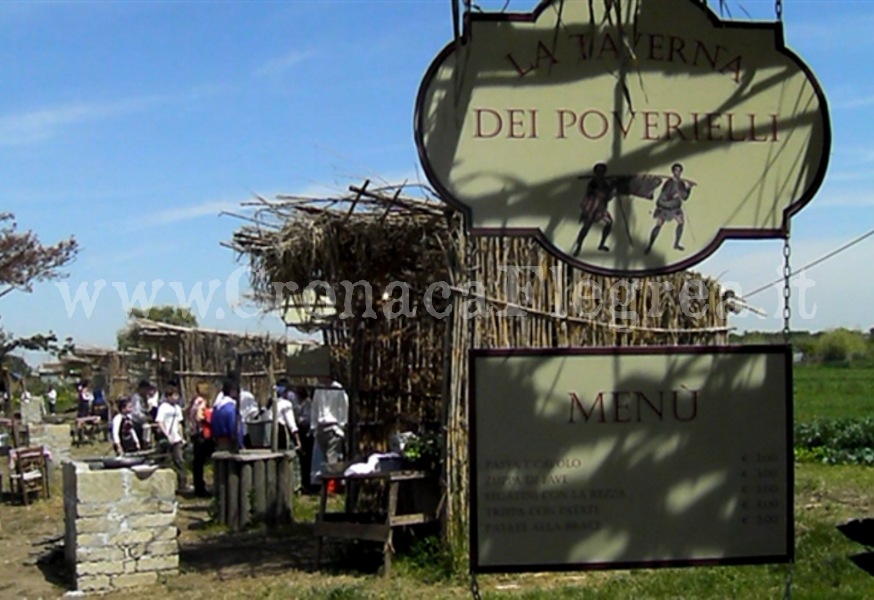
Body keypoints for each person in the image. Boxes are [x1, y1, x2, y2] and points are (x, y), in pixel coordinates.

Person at [644, 162, 695, 255]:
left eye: (679, 171)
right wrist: (673, 196)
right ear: (673, 172)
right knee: (659, 225)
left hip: (675, 207)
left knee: (681, 222)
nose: (678, 173)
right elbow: (663, 197)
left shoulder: (681, 183)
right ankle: (650, 245)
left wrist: (689, 188)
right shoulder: (668, 183)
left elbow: (684, 197)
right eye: (676, 171)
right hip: (665, 206)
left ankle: (676, 244)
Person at [572, 163, 617, 256]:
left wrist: (612, 191)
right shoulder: (593, 183)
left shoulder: (605, 184)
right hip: (592, 209)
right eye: (599, 171)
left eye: (602, 171)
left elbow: (607, 197)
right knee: (586, 228)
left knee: (609, 223)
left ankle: (602, 244)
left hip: (601, 209)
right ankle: (578, 246)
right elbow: (588, 195)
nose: (600, 173)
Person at [310, 376, 348, 480]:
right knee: (322, 458)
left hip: (334, 426)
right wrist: (314, 427)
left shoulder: (338, 388)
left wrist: (341, 426)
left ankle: (332, 483)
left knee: (332, 456)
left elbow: (343, 407)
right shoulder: (319, 389)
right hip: (321, 426)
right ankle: (323, 482)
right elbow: (315, 408)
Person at [156, 386, 187, 494]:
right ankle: (161, 485)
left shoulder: (177, 408)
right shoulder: (163, 407)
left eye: (177, 395)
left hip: (176, 437)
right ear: (168, 396)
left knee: (179, 460)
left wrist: (181, 437)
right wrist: (167, 434)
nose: (176, 398)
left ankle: (182, 484)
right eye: (174, 395)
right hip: (166, 436)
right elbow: (160, 422)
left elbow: (179, 423)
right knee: (163, 460)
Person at [187, 382, 213, 497]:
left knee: (197, 462)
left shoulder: (193, 402)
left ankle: (198, 486)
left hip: (194, 433)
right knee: (201, 461)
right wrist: (207, 417)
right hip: (201, 434)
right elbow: (199, 417)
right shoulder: (201, 402)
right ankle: (200, 488)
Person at [211, 378, 244, 451]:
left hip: (218, 443)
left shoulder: (217, 408)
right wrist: (240, 445)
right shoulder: (231, 409)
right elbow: (235, 429)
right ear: (232, 391)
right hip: (230, 445)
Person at [130, 380, 158, 448]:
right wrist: (145, 418)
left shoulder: (143, 398)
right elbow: (135, 412)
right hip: (136, 422)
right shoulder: (136, 398)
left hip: (142, 421)